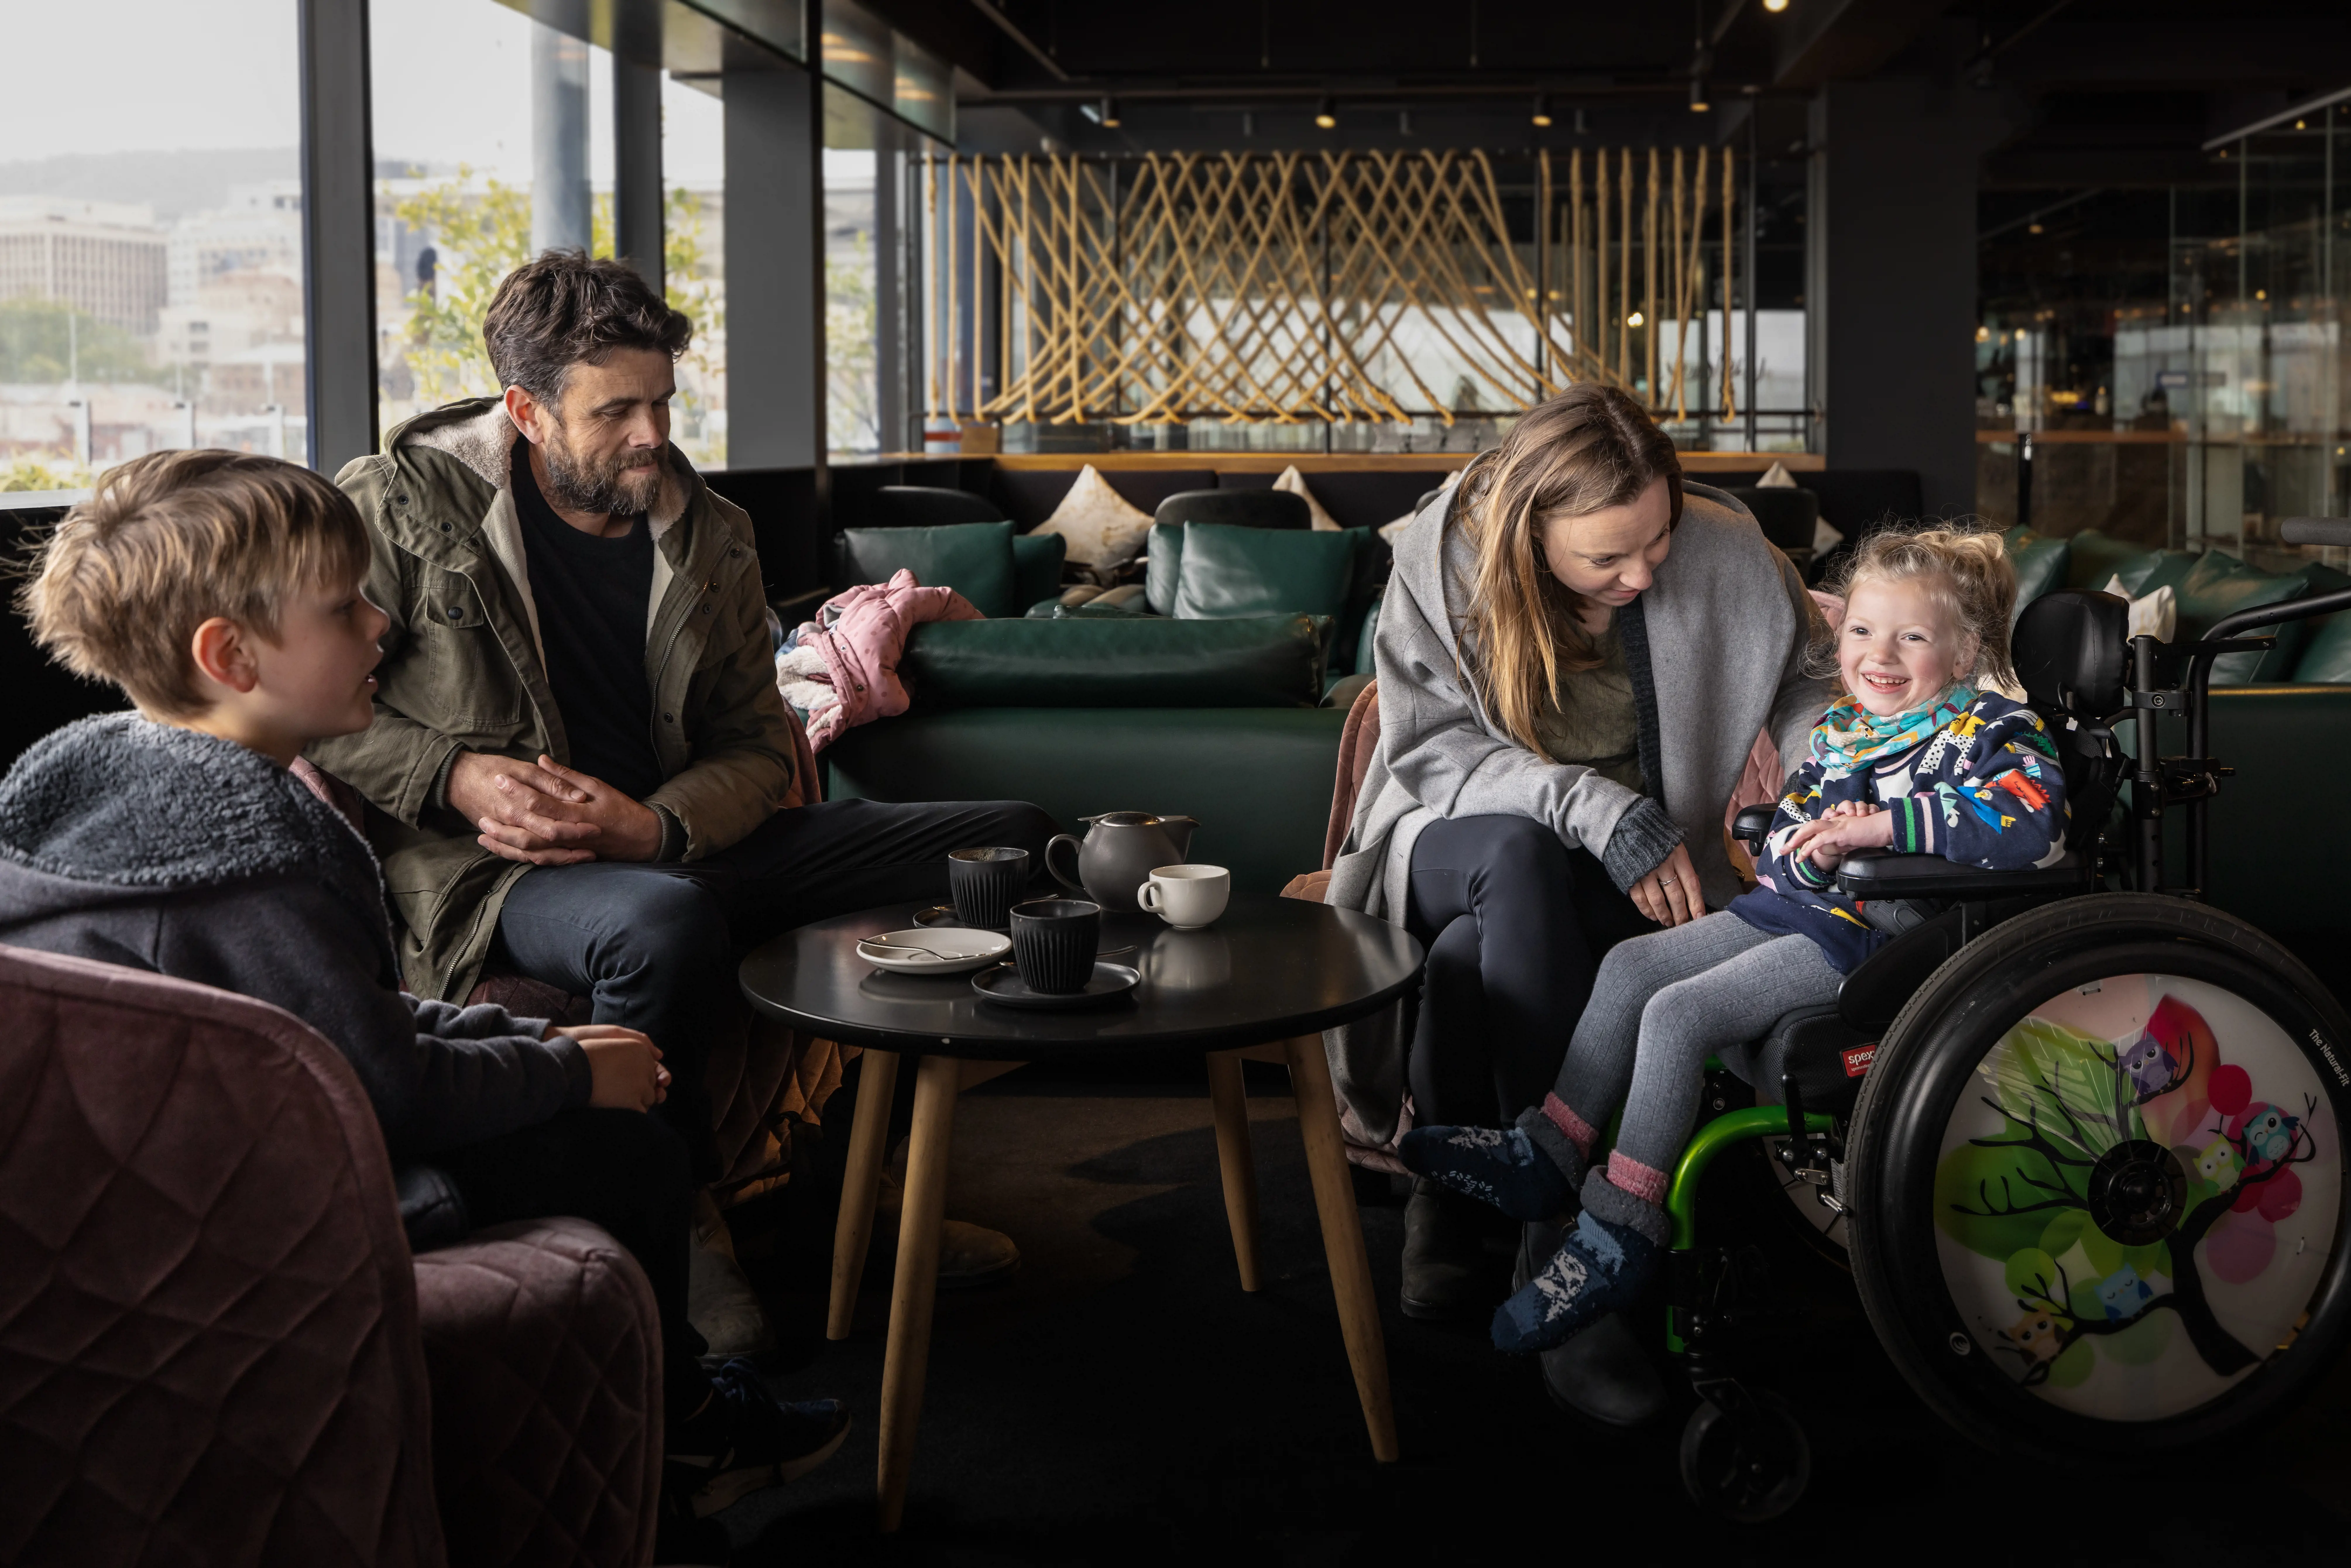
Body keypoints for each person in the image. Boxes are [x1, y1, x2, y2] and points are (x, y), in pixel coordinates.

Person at [0, 451, 849, 1546]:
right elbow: (378, 1087)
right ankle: (685, 1426)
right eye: (344, 607)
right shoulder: (252, 854)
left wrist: (525, 1035)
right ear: (231, 655)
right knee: (629, 1154)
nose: (380, 629)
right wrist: (566, 1070)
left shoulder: (109, 785)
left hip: (172, 1179)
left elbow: (330, 1020)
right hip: (264, 1215)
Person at [304, 251, 1050, 1339]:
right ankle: (675, 1223)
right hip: (500, 871)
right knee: (663, 922)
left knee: (1009, 841)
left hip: (676, 837)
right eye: (617, 411)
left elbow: (758, 742)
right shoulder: (393, 508)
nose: (654, 433)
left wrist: (658, 823)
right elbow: (318, 703)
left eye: (662, 399)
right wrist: (456, 776)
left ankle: (856, 1184)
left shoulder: (713, 532)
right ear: (527, 410)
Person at [1401, 525, 2069, 1357]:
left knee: (1680, 1015)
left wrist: (1878, 825)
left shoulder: (1988, 728)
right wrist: (1800, 838)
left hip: (1875, 940)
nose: (1878, 654)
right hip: (1790, 910)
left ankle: (1621, 1233)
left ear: (1965, 648)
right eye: (1861, 630)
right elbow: (1791, 822)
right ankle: (1550, 1150)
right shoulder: (1849, 729)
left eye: (1913, 636)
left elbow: (2032, 827)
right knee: (1631, 966)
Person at [1325, 384, 1828, 1420]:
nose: (1644, 572)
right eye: (1608, 559)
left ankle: (1460, 1205)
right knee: (1519, 860)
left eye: (1659, 538)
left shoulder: (1727, 550)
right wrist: (1590, 807)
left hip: (1618, 866)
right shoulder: (1443, 554)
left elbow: (1814, 674)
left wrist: (1831, 775)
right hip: (1454, 831)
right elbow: (1431, 752)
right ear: (1527, 528)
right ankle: (1560, 1237)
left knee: (1476, 955)